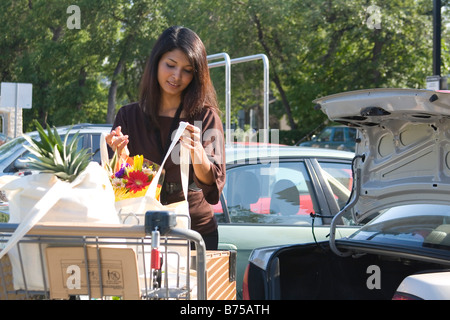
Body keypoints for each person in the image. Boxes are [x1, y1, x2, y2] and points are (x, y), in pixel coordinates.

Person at [105, 26, 226, 250]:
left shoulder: (205, 116)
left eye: (187, 70)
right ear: (156, 63)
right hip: (141, 227)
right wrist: (121, 157)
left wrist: (197, 151)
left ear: (197, 74)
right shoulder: (129, 115)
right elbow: (120, 183)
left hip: (194, 231)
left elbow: (213, 188)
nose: (176, 76)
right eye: (170, 65)